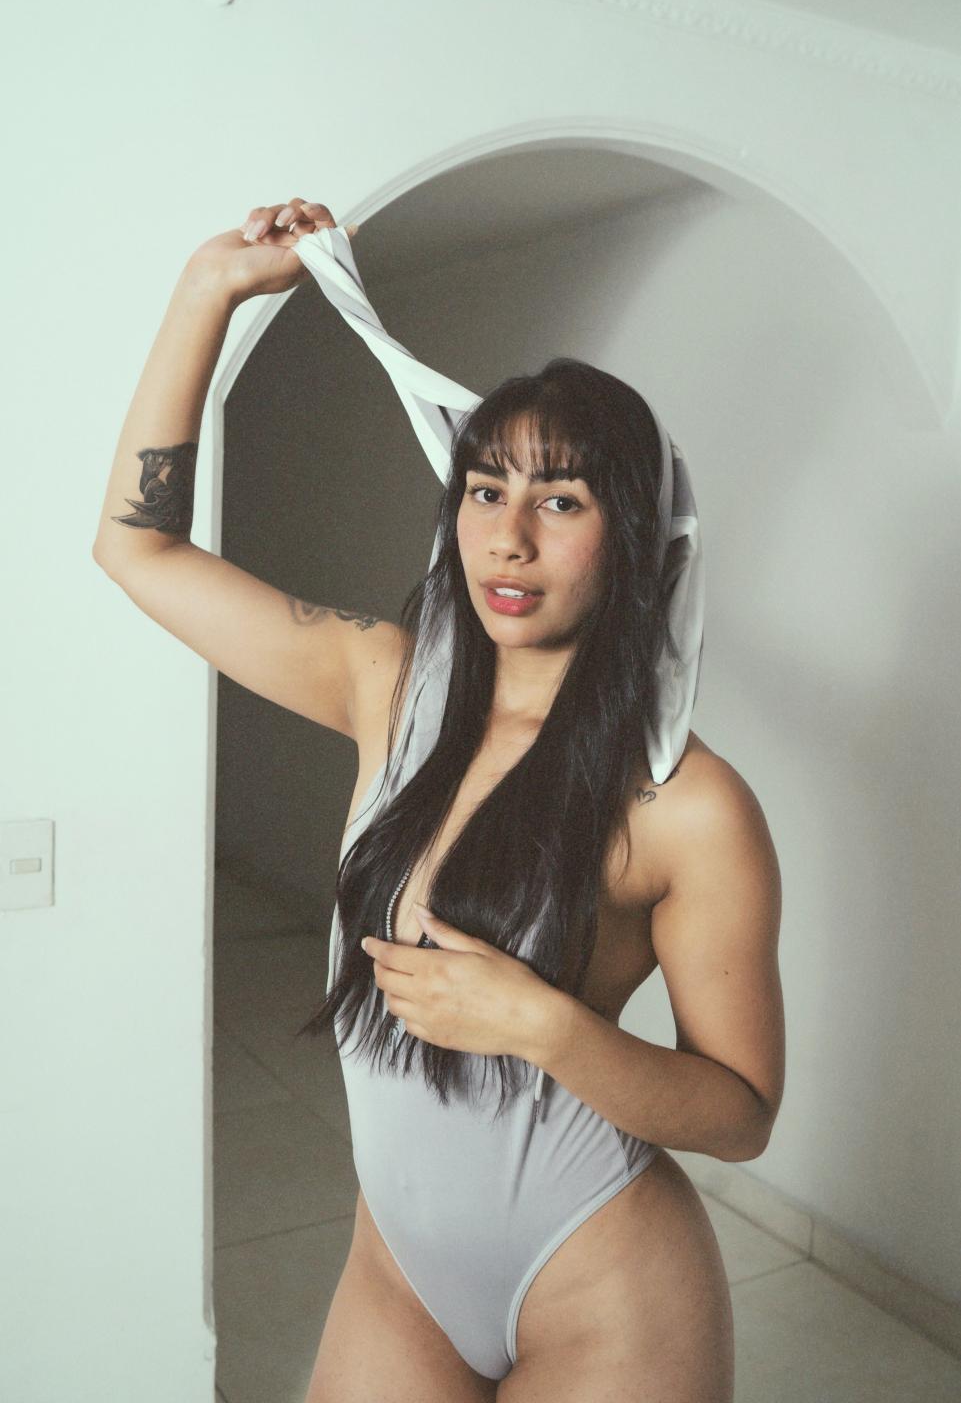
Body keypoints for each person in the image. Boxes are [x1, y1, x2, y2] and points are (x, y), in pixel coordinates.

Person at [93, 197, 784, 1403]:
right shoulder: (386, 683)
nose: (507, 538)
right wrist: (208, 289)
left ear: (631, 538)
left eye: (560, 501)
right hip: (400, 1272)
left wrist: (544, 1026)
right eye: (482, 489)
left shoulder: (685, 803)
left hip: (601, 1279)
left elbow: (740, 1114)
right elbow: (135, 549)